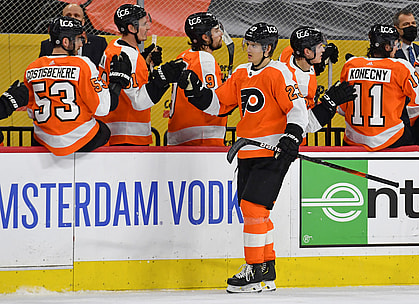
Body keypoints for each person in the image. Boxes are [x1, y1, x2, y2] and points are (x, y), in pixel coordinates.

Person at [178, 22, 308, 293]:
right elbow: (218, 105)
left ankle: (252, 269)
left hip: (273, 152)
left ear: (268, 48)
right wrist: (195, 91)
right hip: (247, 151)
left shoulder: (278, 72)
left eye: (254, 46)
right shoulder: (240, 73)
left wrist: (291, 138)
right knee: (256, 213)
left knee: (253, 209)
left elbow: (297, 110)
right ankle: (266, 269)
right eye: (247, 44)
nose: (248, 49)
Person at [25, 16, 132, 156]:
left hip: (44, 139)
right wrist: (117, 83)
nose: (81, 44)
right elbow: (103, 108)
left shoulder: (32, 68)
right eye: (78, 39)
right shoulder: (82, 64)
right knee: (104, 131)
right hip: (79, 139)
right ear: (65, 42)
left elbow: (31, 112)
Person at [97, 4, 185, 145]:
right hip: (128, 134)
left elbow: (127, 86)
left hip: (113, 128)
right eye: (144, 24)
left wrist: (145, 63)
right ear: (132, 28)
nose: (148, 28)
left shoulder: (115, 46)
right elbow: (138, 101)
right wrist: (163, 78)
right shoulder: (129, 55)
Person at [338, 24, 419, 151]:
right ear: (387, 46)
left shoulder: (351, 64)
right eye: (396, 44)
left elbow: (342, 108)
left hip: (353, 140)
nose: (398, 47)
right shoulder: (400, 66)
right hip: (392, 139)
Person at [279, 26, 356, 144]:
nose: (323, 50)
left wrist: (321, 60)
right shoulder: (300, 86)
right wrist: (329, 103)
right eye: (320, 47)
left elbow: (304, 65)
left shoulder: (288, 53)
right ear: (307, 52)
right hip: (291, 141)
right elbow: (305, 123)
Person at [167, 12, 227, 146]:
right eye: (216, 30)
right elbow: (214, 102)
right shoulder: (205, 60)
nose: (221, 34)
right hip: (203, 135)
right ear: (205, 37)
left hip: (179, 134)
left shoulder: (182, 56)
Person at [392, 8, 419, 145]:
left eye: (413, 23)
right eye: (406, 25)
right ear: (397, 29)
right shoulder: (391, 53)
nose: (411, 27)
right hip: (400, 115)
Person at [39, 4, 107, 67]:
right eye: (68, 16)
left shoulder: (99, 43)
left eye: (76, 16)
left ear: (83, 21)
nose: (72, 19)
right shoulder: (47, 45)